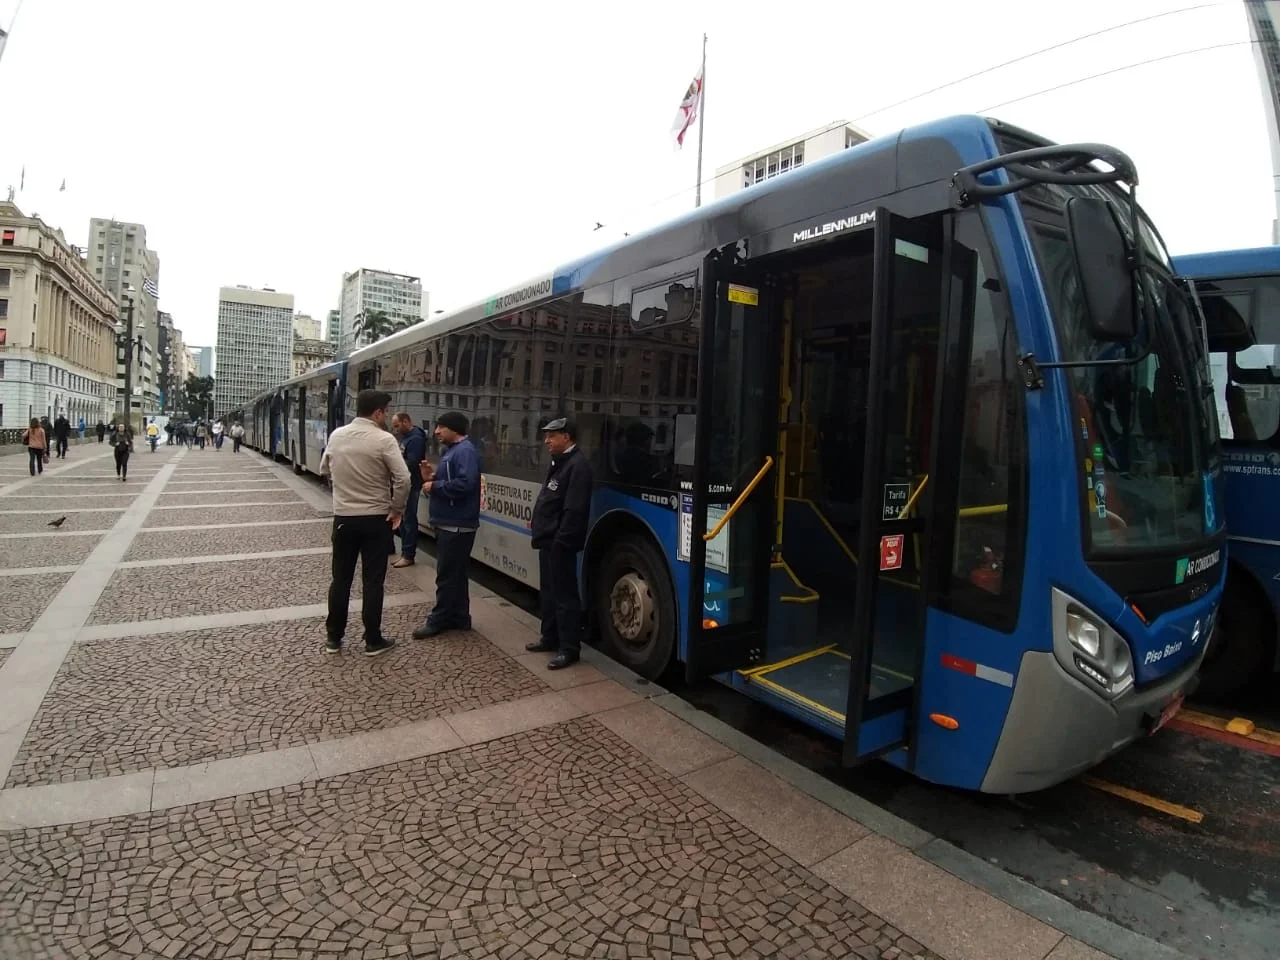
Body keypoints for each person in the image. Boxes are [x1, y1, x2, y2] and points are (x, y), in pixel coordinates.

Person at [319, 388, 410, 657]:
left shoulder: (337, 435)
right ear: (378, 412)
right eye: (386, 411)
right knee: (373, 581)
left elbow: (325, 468)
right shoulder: (384, 440)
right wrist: (397, 510)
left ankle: (334, 638)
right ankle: (373, 640)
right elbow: (403, 479)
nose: (387, 415)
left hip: (344, 518)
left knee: (340, 580)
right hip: (375, 519)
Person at [525, 417, 593, 670]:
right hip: (548, 541)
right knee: (549, 592)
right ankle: (550, 637)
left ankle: (569, 648)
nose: (546, 441)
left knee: (565, 596)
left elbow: (574, 511)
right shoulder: (560, 463)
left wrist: (561, 542)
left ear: (567, 437)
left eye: (551, 436)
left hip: (559, 544)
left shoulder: (578, 466)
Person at [411, 412, 482, 638]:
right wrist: (431, 477)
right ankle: (460, 617)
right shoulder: (454, 451)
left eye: (441, 426)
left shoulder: (465, 451)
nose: (436, 432)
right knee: (457, 574)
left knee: (447, 574)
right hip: (452, 522)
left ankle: (439, 619)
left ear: (454, 428)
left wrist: (435, 486)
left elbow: (466, 484)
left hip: (456, 524)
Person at [389, 413, 428, 568]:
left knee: (408, 519)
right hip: (405, 483)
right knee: (404, 520)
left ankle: (408, 554)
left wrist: (394, 461)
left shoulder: (416, 439)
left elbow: (412, 463)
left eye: (397, 425)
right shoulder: (407, 437)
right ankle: (405, 553)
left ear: (406, 421)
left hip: (411, 484)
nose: (396, 429)